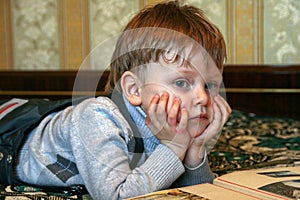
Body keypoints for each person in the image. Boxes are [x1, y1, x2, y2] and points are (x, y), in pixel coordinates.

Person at [1, 1, 231, 199]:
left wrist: (195, 152)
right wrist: (174, 147)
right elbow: (116, 195)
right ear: (134, 89)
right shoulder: (97, 118)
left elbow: (197, 192)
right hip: (9, 137)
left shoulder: (176, 122)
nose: (202, 97)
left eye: (209, 85)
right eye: (181, 83)